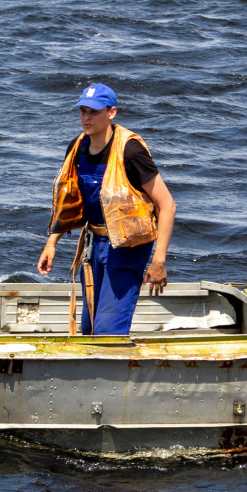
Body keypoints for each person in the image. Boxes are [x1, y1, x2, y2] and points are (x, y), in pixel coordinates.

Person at [36, 83, 176, 335]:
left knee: (108, 329)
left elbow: (167, 206)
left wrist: (159, 262)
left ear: (111, 112)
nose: (86, 118)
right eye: (83, 111)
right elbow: (70, 202)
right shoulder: (77, 148)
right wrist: (51, 244)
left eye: (94, 112)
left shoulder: (131, 151)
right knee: (90, 325)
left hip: (128, 247)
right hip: (94, 244)